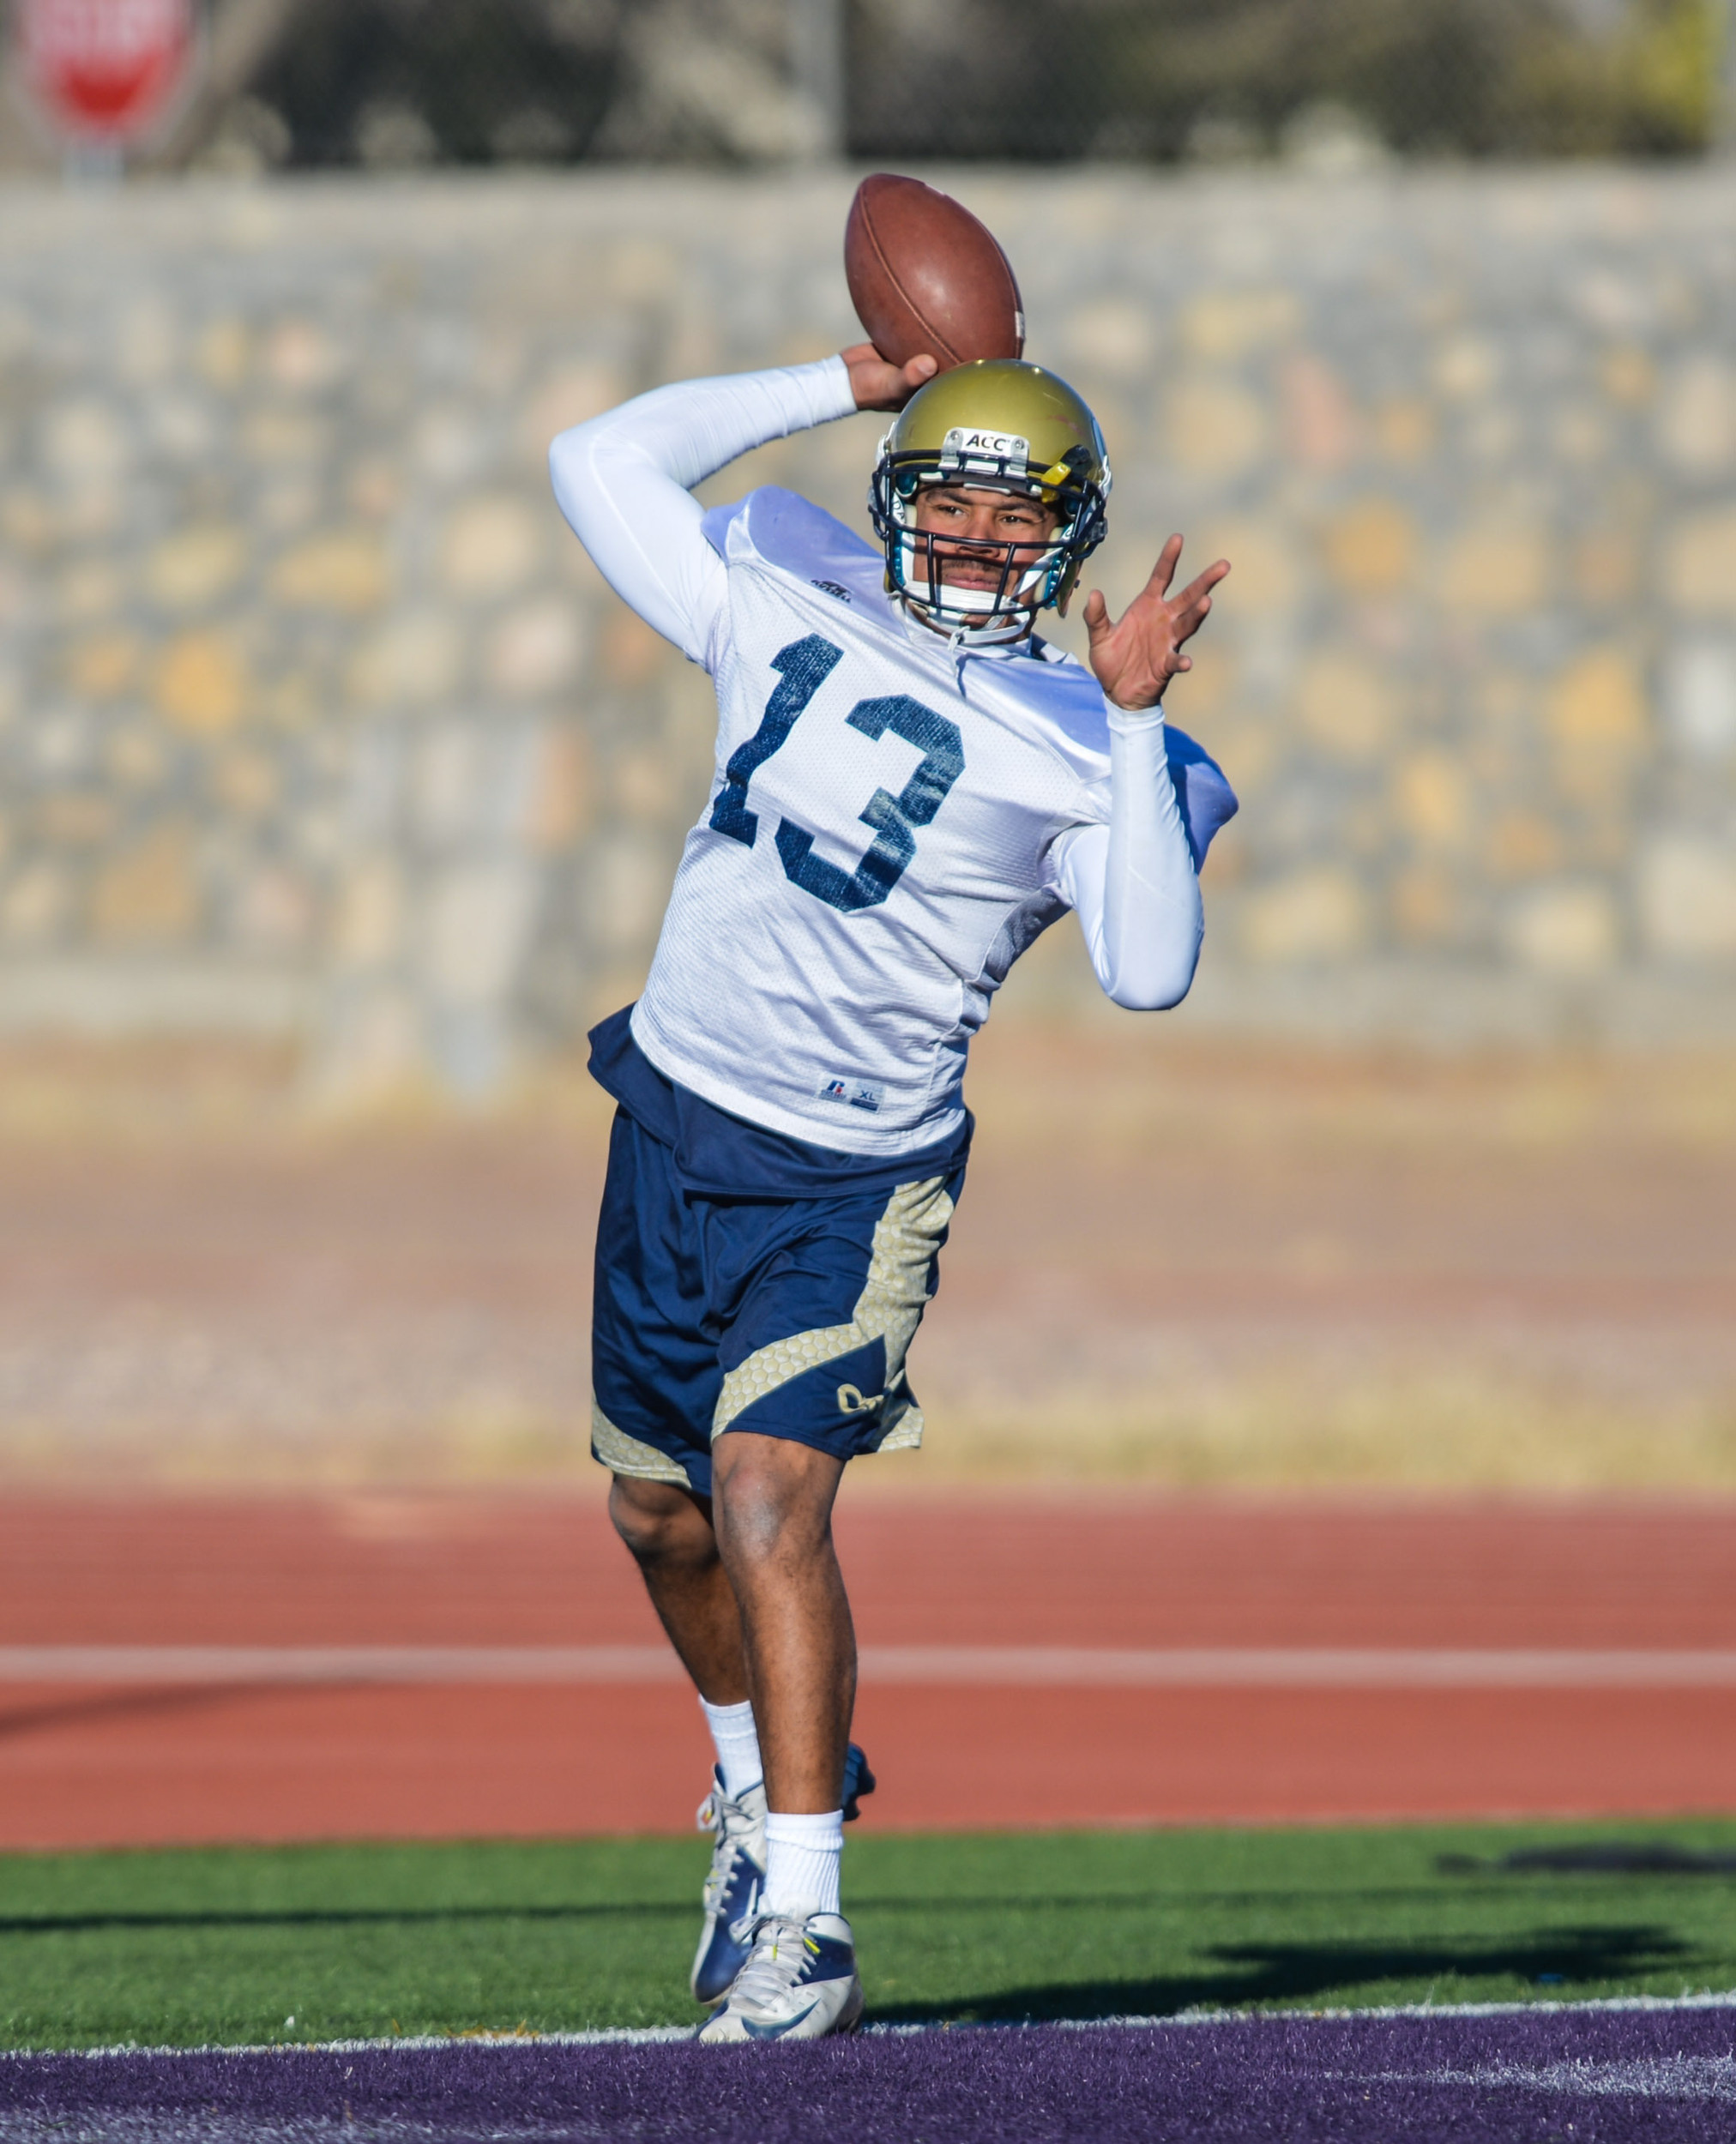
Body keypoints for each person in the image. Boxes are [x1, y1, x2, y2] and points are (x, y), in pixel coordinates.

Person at [549, 341, 1235, 2044]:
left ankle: (807, 1919)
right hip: (673, 1113)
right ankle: (759, 1777)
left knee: (769, 1490)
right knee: (658, 1513)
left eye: (1017, 512)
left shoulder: (1093, 736)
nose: (979, 535)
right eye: (947, 491)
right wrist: (850, 368)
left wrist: (1140, 726)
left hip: (851, 1175)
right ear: (892, 492)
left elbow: (1147, 967)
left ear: (1069, 539)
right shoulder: (785, 574)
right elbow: (597, 458)